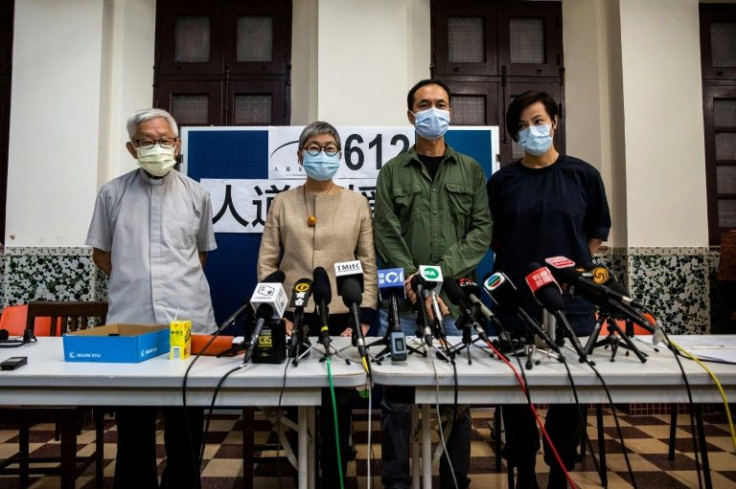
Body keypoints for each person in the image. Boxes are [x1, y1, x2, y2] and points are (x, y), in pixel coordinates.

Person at [86, 108, 217, 489]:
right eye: (146, 141)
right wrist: (136, 280)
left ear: (177, 145)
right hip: (131, 324)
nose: (156, 147)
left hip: (185, 321)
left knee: (186, 426)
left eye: (164, 140)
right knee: (133, 424)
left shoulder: (197, 193)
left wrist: (171, 282)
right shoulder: (112, 193)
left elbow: (201, 254)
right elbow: (101, 253)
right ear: (132, 148)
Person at [487, 91, 611, 489]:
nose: (531, 131)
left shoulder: (584, 175)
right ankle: (523, 469)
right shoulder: (502, 182)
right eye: (521, 126)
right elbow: (493, 239)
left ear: (555, 121)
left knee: (571, 392)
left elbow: (596, 234)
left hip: (571, 304)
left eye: (538, 121)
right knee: (515, 391)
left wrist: (570, 272)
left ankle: (561, 469)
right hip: (515, 305)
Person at [374, 79, 493, 489]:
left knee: (457, 400)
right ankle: (396, 481)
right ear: (410, 115)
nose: (433, 110)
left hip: (455, 306)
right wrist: (415, 280)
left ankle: (455, 478)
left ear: (450, 112)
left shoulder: (471, 170)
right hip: (405, 306)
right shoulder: (391, 172)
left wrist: (437, 277)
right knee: (396, 402)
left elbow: (481, 231)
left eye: (440, 103)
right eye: (424, 104)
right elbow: (386, 232)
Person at [257, 120, 378, 488]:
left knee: (338, 407)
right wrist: (276, 316)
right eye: (313, 147)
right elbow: (267, 263)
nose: (321, 154)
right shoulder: (282, 202)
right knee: (299, 403)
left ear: (340, 156)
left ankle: (335, 474)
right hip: (294, 315)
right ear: (299, 155)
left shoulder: (357, 203)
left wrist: (366, 313)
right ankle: (302, 473)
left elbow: (367, 262)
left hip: (343, 313)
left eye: (329, 148)